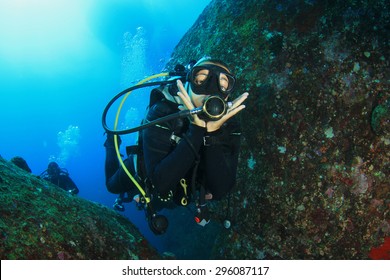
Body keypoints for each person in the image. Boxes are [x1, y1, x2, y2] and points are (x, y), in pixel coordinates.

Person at [104, 57, 248, 227]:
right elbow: (161, 183)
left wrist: (212, 133)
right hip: (146, 168)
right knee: (112, 187)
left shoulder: (230, 125)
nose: (211, 91)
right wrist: (196, 129)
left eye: (223, 85)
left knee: (167, 203)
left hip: (182, 187)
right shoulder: (163, 112)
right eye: (201, 80)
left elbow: (220, 190)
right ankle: (111, 144)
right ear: (188, 82)